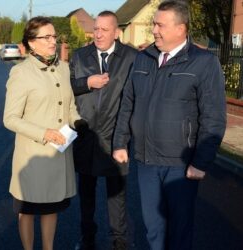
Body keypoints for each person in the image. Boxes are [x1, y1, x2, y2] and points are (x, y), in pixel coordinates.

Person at [112, 1, 226, 250]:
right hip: (146, 161)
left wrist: (200, 162)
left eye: (160, 25)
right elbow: (127, 103)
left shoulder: (204, 63)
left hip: (181, 165)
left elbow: (214, 117)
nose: (154, 30)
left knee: (179, 228)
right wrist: (120, 142)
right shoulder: (143, 59)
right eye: (154, 24)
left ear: (181, 28)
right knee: (153, 227)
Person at [3, 16, 82, 250]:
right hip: (33, 157)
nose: (52, 41)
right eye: (46, 37)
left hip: (58, 155)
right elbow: (10, 118)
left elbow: (69, 107)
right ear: (31, 42)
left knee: (51, 209)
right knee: (27, 211)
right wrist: (45, 132)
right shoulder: (21, 73)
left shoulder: (63, 69)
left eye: (54, 36)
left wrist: (79, 123)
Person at [69, 10, 137, 250]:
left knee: (116, 197)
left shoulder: (131, 57)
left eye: (104, 30)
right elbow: (67, 89)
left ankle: (119, 242)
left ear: (116, 32)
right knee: (86, 194)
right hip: (86, 137)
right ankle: (87, 239)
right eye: (96, 29)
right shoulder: (79, 56)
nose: (98, 34)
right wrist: (87, 83)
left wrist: (128, 136)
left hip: (115, 138)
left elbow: (135, 97)